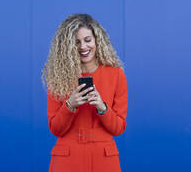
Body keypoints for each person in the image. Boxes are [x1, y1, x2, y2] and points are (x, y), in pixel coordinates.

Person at [42, 13, 128, 172]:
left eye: (87, 40)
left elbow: (119, 128)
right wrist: (70, 105)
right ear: (67, 46)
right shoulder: (57, 76)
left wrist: (102, 108)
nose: (83, 47)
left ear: (97, 40)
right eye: (76, 42)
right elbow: (55, 129)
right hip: (67, 159)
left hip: (104, 159)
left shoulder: (116, 75)